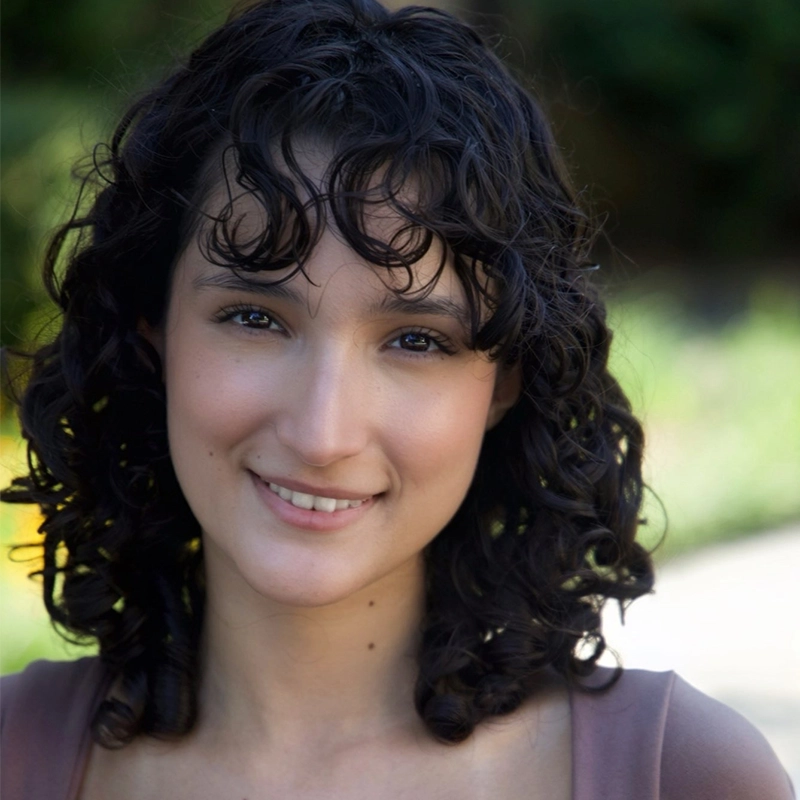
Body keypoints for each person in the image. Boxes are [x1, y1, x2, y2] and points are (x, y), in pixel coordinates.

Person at [0, 1, 793, 798]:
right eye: (254, 317)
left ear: (506, 382)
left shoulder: (682, 775)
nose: (322, 431)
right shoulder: (14, 754)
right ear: (153, 333)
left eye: (416, 339)